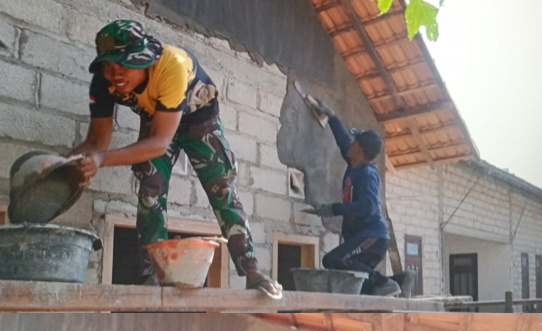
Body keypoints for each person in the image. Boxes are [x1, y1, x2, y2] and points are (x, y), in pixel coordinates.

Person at [70, 20, 283, 299]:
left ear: (143, 59)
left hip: (199, 118)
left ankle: (252, 270)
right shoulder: (103, 82)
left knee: (221, 187)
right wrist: (62, 161)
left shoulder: (173, 65)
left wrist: (101, 160)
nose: (115, 74)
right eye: (108, 66)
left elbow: (158, 144)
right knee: (150, 190)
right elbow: (97, 143)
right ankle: (151, 275)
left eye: (124, 64)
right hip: (156, 118)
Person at [303, 101, 401, 297]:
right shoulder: (354, 161)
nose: (351, 142)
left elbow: (368, 206)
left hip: (373, 237)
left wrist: (334, 208)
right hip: (367, 238)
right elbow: (342, 140)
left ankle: (385, 283)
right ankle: (390, 284)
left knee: (333, 260)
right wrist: (331, 116)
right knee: (356, 277)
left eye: (355, 142)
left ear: (360, 151)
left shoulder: (367, 174)